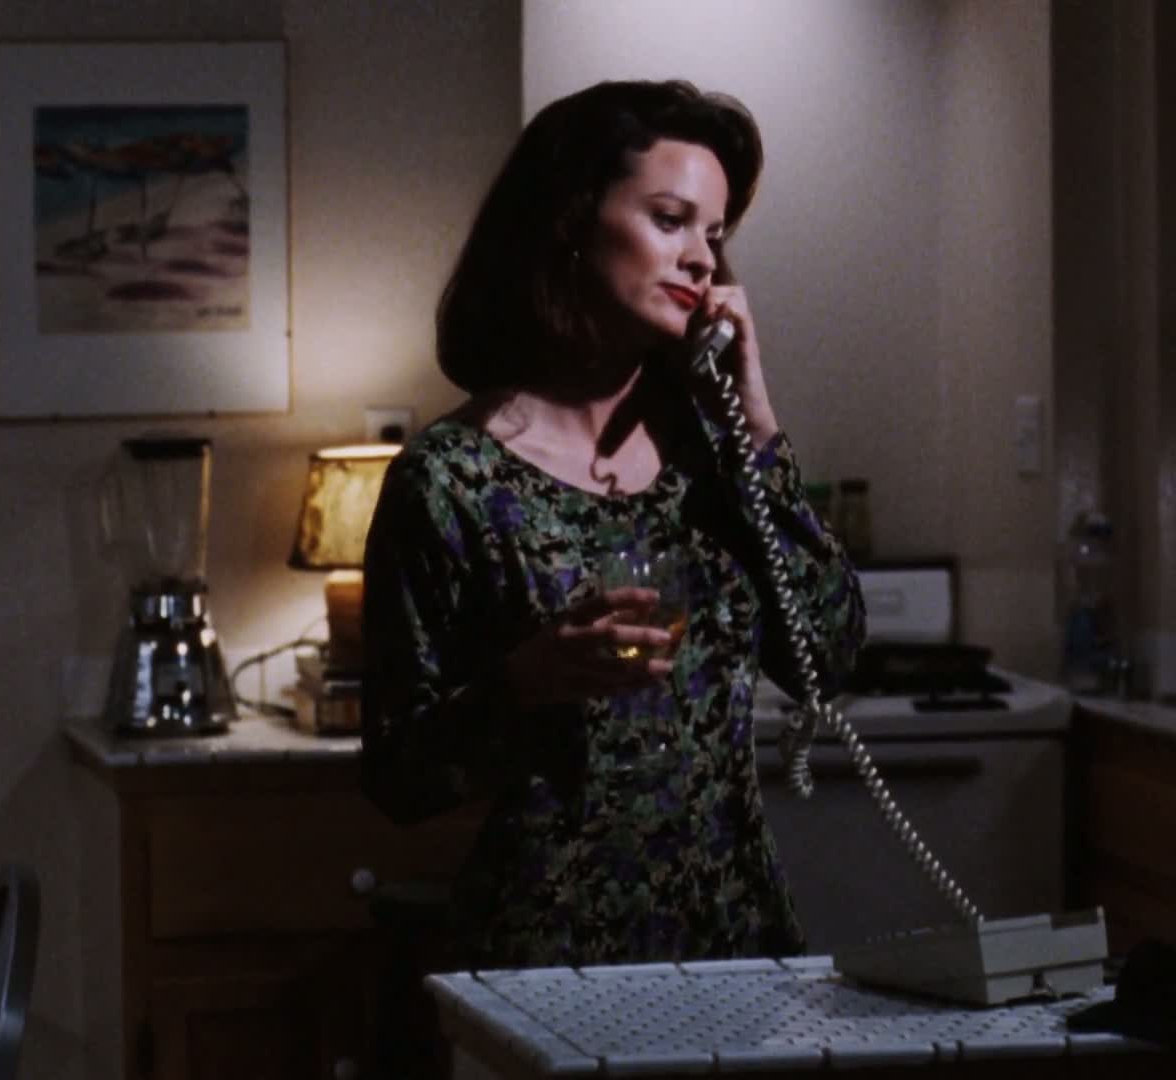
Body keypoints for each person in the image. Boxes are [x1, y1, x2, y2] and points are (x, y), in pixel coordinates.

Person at [360, 79, 865, 971]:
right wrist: (523, 683)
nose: (703, 260)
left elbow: (827, 656)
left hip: (737, 946)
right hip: (548, 956)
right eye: (671, 220)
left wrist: (754, 417)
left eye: (715, 234)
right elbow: (398, 776)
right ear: (569, 222)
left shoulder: (714, 458)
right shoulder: (449, 481)